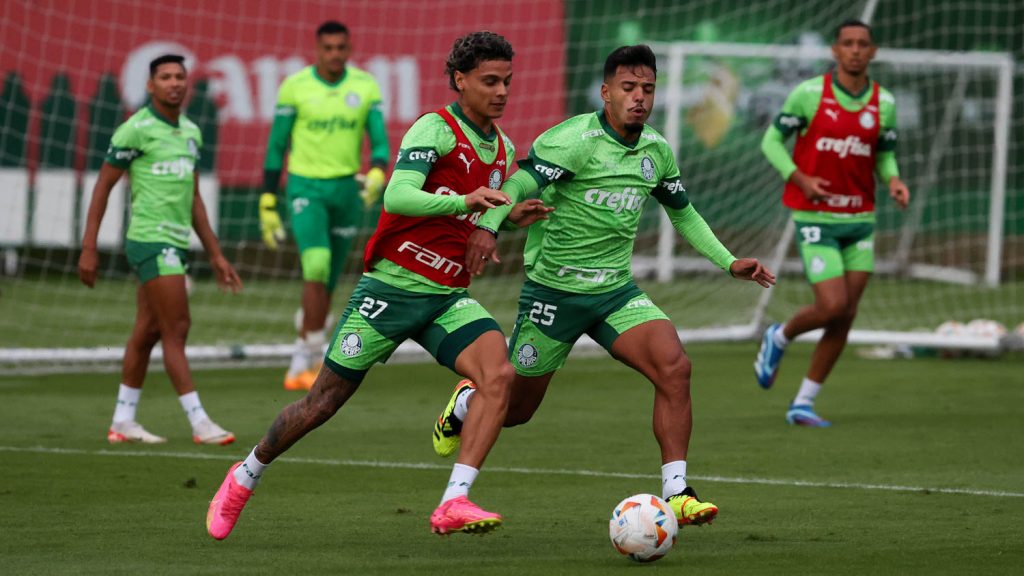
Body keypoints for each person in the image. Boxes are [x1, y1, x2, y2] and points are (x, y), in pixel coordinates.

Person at [207, 31, 553, 540]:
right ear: (460, 80)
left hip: (446, 298)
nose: (501, 91)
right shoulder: (434, 129)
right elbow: (397, 196)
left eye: (507, 81)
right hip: (388, 292)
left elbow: (480, 210)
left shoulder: (503, 148)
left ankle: (454, 499)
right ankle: (245, 475)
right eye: (489, 81)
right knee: (320, 405)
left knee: (498, 374)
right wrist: (465, 202)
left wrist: (507, 215)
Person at [430, 45, 776, 528]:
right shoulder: (572, 140)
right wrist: (487, 227)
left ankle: (677, 491)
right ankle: (466, 402)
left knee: (675, 367)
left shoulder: (655, 150)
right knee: (515, 411)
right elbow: (519, 184)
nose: (639, 98)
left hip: (616, 294)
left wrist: (729, 261)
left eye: (648, 90)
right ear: (606, 92)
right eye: (629, 88)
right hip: (553, 295)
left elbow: (684, 214)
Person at [78, 54, 242, 446]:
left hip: (176, 242)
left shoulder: (190, 131)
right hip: (150, 240)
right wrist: (89, 248)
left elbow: (194, 199)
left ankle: (123, 420)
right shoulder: (135, 130)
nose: (174, 83)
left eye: (180, 76)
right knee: (178, 327)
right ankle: (199, 421)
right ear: (150, 86)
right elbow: (102, 187)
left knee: (148, 330)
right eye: (165, 77)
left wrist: (216, 255)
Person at [753, 19, 910, 427]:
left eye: (863, 44)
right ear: (835, 52)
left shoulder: (884, 102)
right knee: (832, 305)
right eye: (848, 43)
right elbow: (770, 142)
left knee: (846, 314)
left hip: (860, 219)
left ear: (873, 52)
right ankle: (780, 335)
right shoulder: (809, 94)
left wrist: (892, 179)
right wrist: (799, 177)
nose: (856, 50)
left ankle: (804, 401)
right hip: (816, 217)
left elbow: (884, 155)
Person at [260, 20, 391, 391]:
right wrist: (268, 198)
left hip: (346, 191)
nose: (334, 55)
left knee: (329, 279)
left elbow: (379, 142)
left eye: (340, 48)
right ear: (317, 50)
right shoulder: (295, 86)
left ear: (349, 50)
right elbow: (276, 146)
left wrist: (379, 172)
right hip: (305, 187)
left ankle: (309, 342)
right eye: (328, 48)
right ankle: (303, 357)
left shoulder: (364, 86)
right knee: (315, 266)